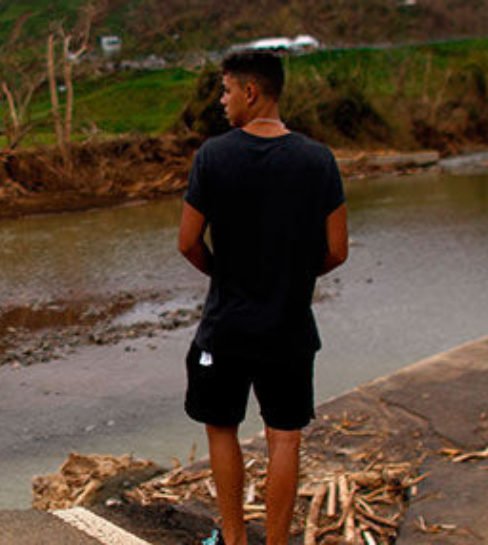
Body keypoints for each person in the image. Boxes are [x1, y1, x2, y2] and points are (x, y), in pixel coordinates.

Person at [177, 50, 349, 545]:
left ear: (251, 92)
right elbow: (337, 249)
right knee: (284, 437)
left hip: (226, 327)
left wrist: (223, 274)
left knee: (222, 429)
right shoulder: (318, 160)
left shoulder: (213, 156)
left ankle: (234, 540)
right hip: (289, 329)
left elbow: (188, 242)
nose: (223, 101)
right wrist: (291, 277)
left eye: (226, 91)